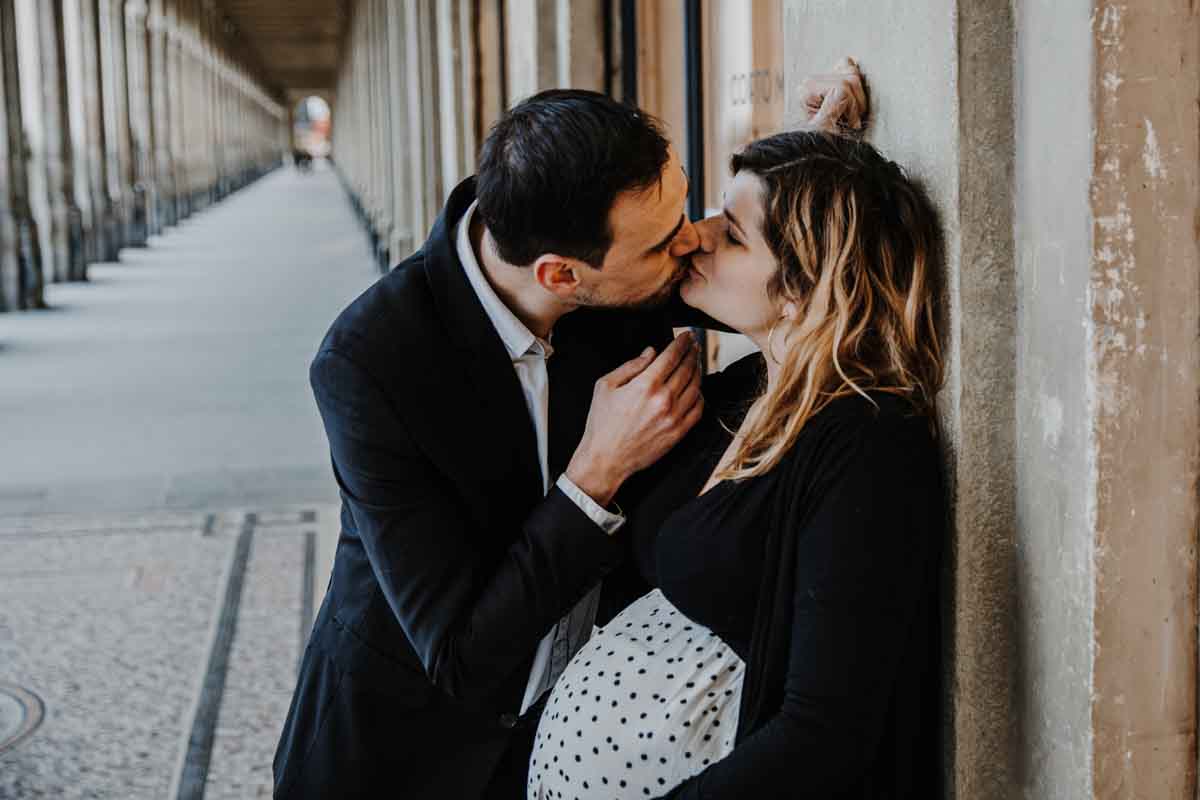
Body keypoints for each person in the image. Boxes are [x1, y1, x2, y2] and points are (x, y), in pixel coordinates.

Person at [273, 68, 867, 799]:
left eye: (684, 210)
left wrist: (813, 168)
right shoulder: (371, 364)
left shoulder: (619, 251)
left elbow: (775, 284)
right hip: (408, 759)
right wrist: (595, 475)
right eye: (663, 245)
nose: (689, 242)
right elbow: (460, 655)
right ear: (561, 275)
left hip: (562, 742)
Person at [527, 130, 945, 799]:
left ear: (802, 290)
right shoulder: (741, 391)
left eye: (734, 235)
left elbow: (826, 735)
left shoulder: (868, 449)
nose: (695, 237)